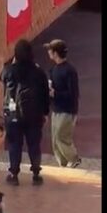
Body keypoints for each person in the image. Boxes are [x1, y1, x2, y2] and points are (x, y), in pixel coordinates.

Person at [0, 38, 50, 185]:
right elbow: (45, 94)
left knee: (14, 144)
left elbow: (1, 78)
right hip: (34, 115)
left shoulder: (9, 70)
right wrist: (45, 112)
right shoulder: (38, 72)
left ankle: (14, 174)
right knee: (34, 144)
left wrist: (13, 63)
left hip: (13, 114)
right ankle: (36, 173)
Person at [45, 39, 81, 168]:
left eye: (50, 50)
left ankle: (74, 158)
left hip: (67, 109)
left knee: (61, 136)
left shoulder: (69, 70)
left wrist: (56, 94)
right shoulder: (54, 69)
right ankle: (63, 164)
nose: (48, 52)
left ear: (55, 53)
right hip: (56, 108)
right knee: (55, 138)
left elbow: (73, 94)